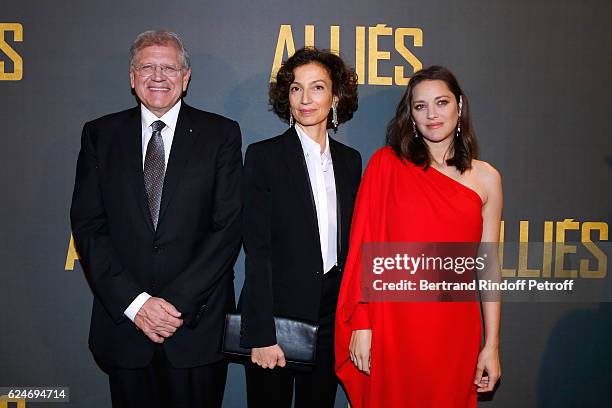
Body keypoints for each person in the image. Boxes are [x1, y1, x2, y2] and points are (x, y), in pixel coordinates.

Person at [70, 30, 242, 408]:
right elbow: (88, 226)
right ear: (132, 78)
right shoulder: (100, 135)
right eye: (147, 67)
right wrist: (137, 304)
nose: (158, 76)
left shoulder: (221, 134)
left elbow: (227, 227)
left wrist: (174, 304)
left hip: (195, 326)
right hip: (125, 327)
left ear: (186, 76)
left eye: (169, 67)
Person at [335, 66, 502, 407]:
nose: (432, 114)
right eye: (420, 106)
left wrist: (492, 344)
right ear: (410, 116)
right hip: (394, 322)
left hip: (455, 327)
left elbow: (488, 267)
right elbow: (366, 245)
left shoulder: (487, 178)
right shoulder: (385, 165)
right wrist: (363, 323)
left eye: (441, 102)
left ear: (459, 105)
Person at [239, 47, 362, 408]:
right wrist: (261, 332)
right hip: (275, 314)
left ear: (336, 96)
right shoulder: (264, 157)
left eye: (318, 87)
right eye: (296, 89)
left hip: (330, 315)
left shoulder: (350, 161)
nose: (306, 99)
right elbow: (256, 249)